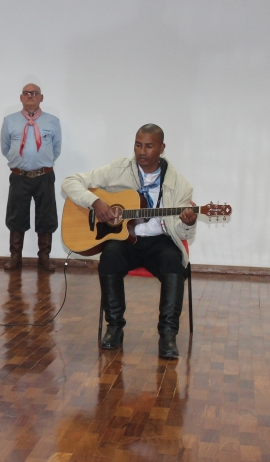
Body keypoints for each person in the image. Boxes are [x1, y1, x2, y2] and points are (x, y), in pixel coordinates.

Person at [61, 124, 197, 358]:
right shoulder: (119, 169)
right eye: (138, 145)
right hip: (125, 241)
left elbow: (184, 234)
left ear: (162, 148)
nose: (142, 151)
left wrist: (188, 222)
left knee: (174, 265)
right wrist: (95, 202)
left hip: (160, 241)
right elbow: (70, 181)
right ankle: (114, 328)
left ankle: (168, 335)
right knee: (109, 258)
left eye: (149, 146)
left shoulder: (179, 185)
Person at [0, 83, 62, 272]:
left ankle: (44, 257)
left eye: (34, 93)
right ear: (21, 97)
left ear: (41, 98)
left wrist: (41, 161)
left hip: (44, 176)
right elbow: (5, 148)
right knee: (16, 216)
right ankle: (15, 257)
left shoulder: (53, 121)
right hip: (19, 176)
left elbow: (56, 149)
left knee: (46, 217)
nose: (30, 96)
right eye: (26, 93)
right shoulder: (10, 121)